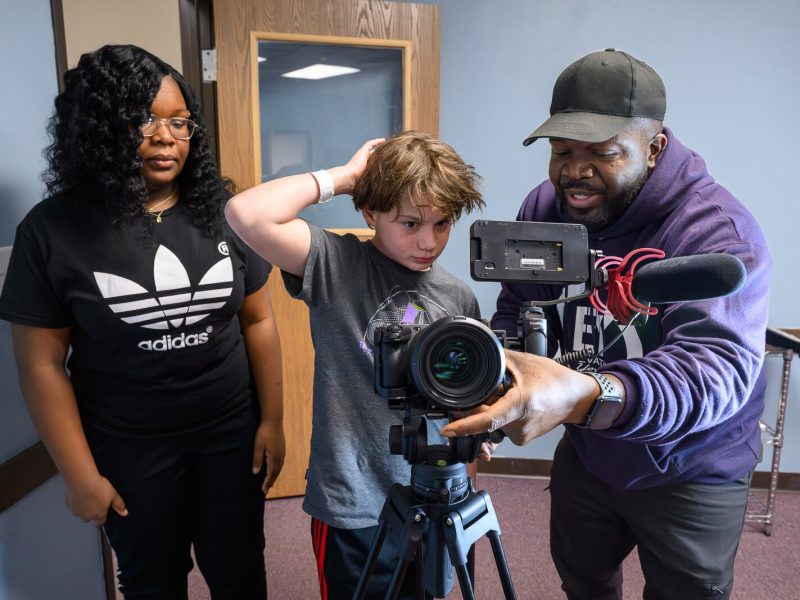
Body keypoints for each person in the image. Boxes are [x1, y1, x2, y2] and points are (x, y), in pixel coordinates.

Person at [442, 49, 771, 599]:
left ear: (654, 147)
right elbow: (519, 310)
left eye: (602, 153)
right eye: (562, 150)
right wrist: (494, 387)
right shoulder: (545, 207)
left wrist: (589, 395)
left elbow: (714, 372)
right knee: (583, 579)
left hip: (692, 463)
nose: (574, 170)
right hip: (591, 450)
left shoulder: (717, 229)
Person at [0, 45, 285, 598]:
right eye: (142, 120)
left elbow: (257, 320)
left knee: (241, 571)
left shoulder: (223, 212)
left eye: (179, 121)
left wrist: (272, 420)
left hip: (230, 435)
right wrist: (80, 475)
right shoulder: (53, 230)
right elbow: (41, 364)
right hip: (129, 447)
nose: (165, 137)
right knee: (152, 582)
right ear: (99, 128)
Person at [225, 130, 486, 599]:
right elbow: (245, 214)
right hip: (354, 497)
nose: (428, 241)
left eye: (443, 223)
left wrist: (465, 479)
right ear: (370, 212)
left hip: (435, 495)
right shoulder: (335, 263)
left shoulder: (458, 296)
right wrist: (344, 178)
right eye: (410, 223)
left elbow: (462, 403)